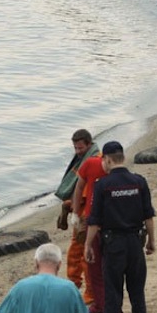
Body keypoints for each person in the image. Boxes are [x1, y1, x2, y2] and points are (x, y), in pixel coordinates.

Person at [84, 141, 155, 313]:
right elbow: (148, 215)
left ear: (107, 159)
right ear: (122, 157)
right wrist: (151, 241)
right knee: (137, 294)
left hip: (113, 245)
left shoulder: (102, 185)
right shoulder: (139, 182)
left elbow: (94, 221)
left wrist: (88, 245)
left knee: (112, 296)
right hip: (135, 242)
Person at [55, 129, 100, 302]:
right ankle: (74, 285)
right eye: (75, 148)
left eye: (80, 148)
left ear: (89, 144)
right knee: (75, 253)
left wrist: (71, 208)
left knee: (86, 253)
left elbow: (86, 192)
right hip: (80, 211)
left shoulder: (93, 161)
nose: (77, 151)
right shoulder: (83, 160)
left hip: (87, 214)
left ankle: (90, 292)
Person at [71, 155, 108, 313]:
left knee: (98, 264)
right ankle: (94, 299)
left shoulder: (111, 175)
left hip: (103, 221)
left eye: (80, 148)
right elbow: (79, 187)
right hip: (89, 218)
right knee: (87, 260)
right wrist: (75, 212)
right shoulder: (90, 164)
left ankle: (100, 302)